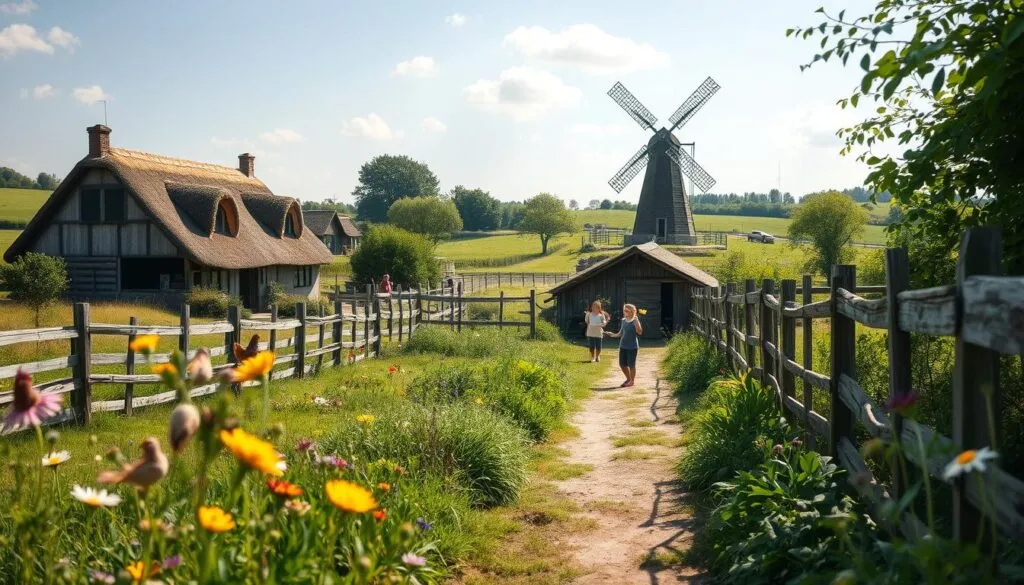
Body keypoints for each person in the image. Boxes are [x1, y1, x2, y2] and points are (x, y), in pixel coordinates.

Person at [605, 303, 643, 387]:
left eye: (626, 311)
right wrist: (612, 334)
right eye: (624, 311)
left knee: (631, 365)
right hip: (623, 346)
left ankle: (632, 381)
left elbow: (639, 332)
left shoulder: (635, 320)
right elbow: (620, 333)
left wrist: (636, 322)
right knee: (622, 364)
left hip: (632, 347)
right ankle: (628, 379)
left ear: (632, 312)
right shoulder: (623, 321)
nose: (624, 312)